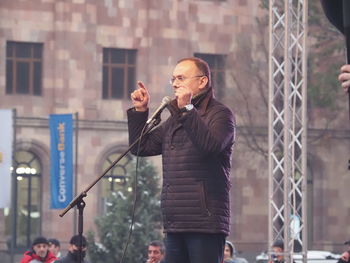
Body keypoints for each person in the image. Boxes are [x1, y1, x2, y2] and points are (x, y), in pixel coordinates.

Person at [128, 57, 236, 263]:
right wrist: (140, 112)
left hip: (205, 222)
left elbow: (210, 146)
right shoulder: (174, 120)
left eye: (181, 78)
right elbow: (141, 147)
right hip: (175, 220)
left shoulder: (220, 114)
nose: (175, 83)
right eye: (173, 79)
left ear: (202, 81)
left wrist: (187, 109)